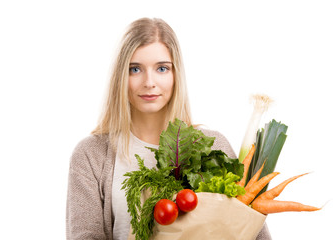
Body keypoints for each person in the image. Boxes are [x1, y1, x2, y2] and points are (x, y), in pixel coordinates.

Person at [66, 17, 272, 240]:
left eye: (162, 68)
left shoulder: (214, 147)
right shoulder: (91, 154)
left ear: (176, 75)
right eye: (135, 69)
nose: (149, 82)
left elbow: (253, 233)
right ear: (120, 77)